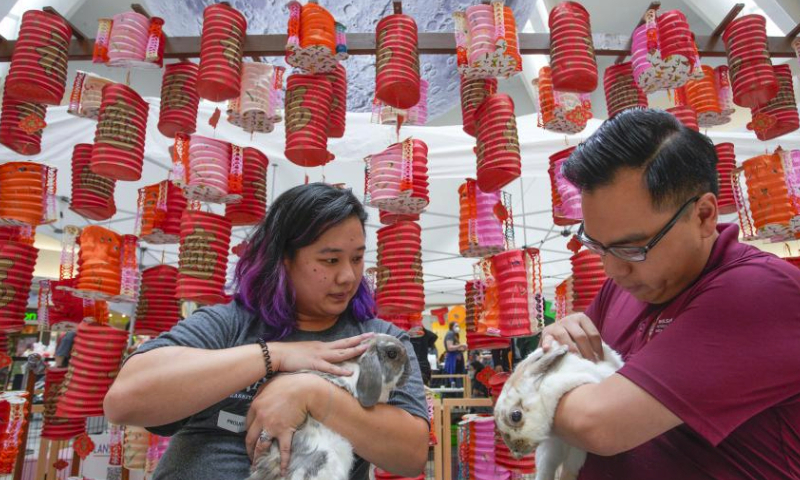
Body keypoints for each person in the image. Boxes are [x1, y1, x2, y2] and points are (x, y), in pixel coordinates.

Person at [537, 109, 800, 479]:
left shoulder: (758, 293)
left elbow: (597, 424)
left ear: (705, 215)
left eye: (633, 247)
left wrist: (535, 386)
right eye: (597, 245)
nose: (612, 269)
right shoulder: (626, 286)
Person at [104, 183, 429, 480]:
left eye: (357, 258)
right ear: (284, 259)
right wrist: (274, 355)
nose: (348, 276)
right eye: (330, 260)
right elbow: (124, 401)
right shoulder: (230, 323)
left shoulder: (378, 341)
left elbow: (412, 454)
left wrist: (311, 394)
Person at [442, 322, 466, 387]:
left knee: (458, 378)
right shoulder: (450, 333)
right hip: (453, 360)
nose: (458, 327)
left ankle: (458, 393)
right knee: (453, 378)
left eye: (458, 326)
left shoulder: (456, 335)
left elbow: (456, 348)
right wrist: (461, 345)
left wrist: (463, 348)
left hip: (458, 361)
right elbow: (450, 348)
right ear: (451, 327)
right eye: (456, 326)